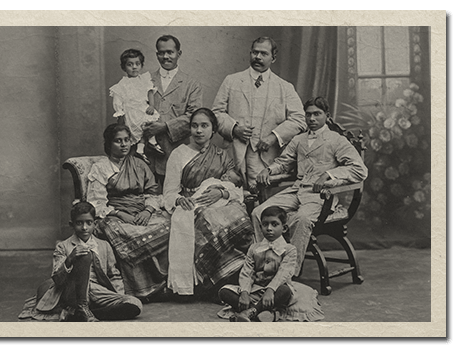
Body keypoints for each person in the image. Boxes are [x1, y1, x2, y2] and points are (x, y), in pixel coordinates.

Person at [252, 97, 368, 276]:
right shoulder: (299, 139)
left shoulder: (335, 140)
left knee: (302, 219)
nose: (312, 119)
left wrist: (329, 175)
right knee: (259, 212)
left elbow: (359, 170)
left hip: (320, 195)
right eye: (308, 114)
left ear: (327, 116)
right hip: (296, 190)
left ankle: (289, 273)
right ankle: (265, 265)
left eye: (317, 114)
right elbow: (284, 161)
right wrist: (269, 169)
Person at [163, 108, 253, 298]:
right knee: (207, 219)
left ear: (213, 130)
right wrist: (180, 199)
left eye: (204, 126)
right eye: (195, 126)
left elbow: (235, 187)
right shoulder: (179, 154)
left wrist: (220, 191)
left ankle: (240, 273)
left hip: (220, 200)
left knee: (238, 214)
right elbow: (169, 192)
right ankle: (216, 280)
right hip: (192, 202)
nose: (199, 130)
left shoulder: (221, 155)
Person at [87, 123, 170, 300]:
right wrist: (118, 213)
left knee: (168, 224)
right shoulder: (101, 168)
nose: (124, 144)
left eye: (126, 140)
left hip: (142, 210)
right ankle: (138, 290)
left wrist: (148, 210)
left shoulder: (139, 164)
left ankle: (161, 283)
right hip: (114, 213)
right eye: (118, 141)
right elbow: (95, 202)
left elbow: (152, 191)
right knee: (123, 232)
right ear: (109, 144)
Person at [212, 36, 306, 191]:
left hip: (266, 157)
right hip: (234, 154)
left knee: (260, 199)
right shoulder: (232, 81)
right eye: (255, 52)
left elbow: (299, 120)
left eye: (264, 54)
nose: (258, 57)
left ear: (273, 58)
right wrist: (234, 128)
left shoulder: (284, 87)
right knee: (233, 196)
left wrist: (274, 136)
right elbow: (216, 113)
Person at [33, 201, 142, 322]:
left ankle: (79, 315)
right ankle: (82, 307)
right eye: (79, 223)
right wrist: (70, 259)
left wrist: (118, 296)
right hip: (73, 292)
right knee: (84, 255)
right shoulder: (63, 246)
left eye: (89, 223)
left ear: (95, 224)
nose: (84, 227)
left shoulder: (104, 245)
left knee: (134, 303)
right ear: (72, 224)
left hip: (98, 292)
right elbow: (57, 279)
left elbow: (114, 275)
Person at [144, 34, 203, 185]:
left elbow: (195, 117)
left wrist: (164, 126)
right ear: (157, 54)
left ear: (179, 54)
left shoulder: (191, 84)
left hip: (177, 152)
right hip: (148, 154)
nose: (166, 56)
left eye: (170, 52)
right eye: (161, 53)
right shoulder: (145, 80)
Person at [109, 48, 163, 165]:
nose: (134, 67)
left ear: (141, 65)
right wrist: (121, 117)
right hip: (131, 112)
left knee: (149, 125)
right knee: (138, 131)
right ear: (124, 67)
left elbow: (150, 92)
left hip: (143, 108)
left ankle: (150, 143)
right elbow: (118, 103)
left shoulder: (144, 79)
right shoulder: (121, 85)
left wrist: (152, 106)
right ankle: (140, 148)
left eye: (137, 64)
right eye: (130, 64)